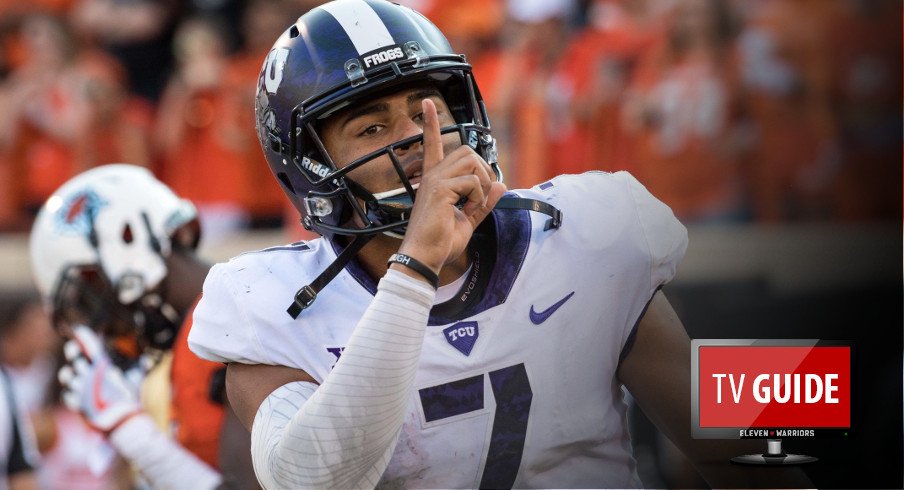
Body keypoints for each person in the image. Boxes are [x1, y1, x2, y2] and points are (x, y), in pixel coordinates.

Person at [188, 1, 811, 488]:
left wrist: (810, 394)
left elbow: (751, 450)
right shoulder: (267, 301)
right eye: (373, 127)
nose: (418, 139)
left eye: (429, 108)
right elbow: (308, 478)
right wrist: (416, 269)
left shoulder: (586, 231)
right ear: (311, 169)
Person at [28, 164, 257, 489]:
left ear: (128, 238)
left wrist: (132, 431)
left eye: (90, 294)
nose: (98, 324)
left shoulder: (233, 312)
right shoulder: (188, 339)